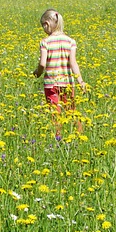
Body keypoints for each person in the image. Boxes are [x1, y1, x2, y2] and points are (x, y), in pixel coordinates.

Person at [33, 9, 85, 138]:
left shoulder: (45, 42)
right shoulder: (70, 41)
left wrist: (37, 73)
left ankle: (57, 138)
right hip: (68, 84)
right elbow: (73, 63)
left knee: (55, 113)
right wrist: (81, 81)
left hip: (51, 85)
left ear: (47, 24)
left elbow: (42, 64)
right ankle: (79, 135)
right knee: (71, 111)